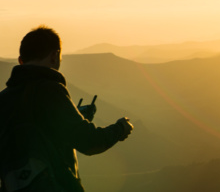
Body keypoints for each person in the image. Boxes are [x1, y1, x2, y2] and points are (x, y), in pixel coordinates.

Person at [0, 26, 134, 191]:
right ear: (54, 56)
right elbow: (89, 142)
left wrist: (74, 117)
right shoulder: (50, 90)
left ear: (20, 60)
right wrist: (120, 129)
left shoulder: (4, 98)